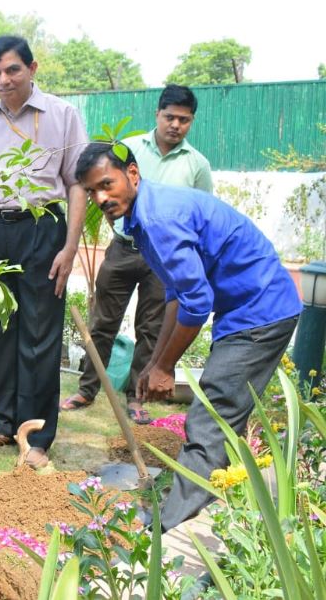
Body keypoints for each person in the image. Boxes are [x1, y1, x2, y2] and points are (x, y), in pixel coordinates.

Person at [75, 142, 301, 531]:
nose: (100, 198)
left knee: (210, 417)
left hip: (261, 312)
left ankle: (165, 525)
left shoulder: (159, 218)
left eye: (106, 184)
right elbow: (178, 296)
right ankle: (220, 496)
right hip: (246, 310)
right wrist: (156, 365)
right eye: (92, 191)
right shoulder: (143, 216)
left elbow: (197, 304)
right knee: (224, 416)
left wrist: (164, 366)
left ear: (133, 174)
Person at [0, 36, 88, 469]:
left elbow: (76, 183)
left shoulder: (62, 115)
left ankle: (36, 436)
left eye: (12, 70)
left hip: (42, 229)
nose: (2, 80)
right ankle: (3, 421)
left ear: (32, 69)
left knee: (38, 333)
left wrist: (69, 246)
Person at [61, 85, 213, 424]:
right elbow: (99, 191)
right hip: (123, 249)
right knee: (102, 322)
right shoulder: (127, 150)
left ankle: (136, 396)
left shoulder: (197, 165)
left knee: (152, 327)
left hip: (164, 258)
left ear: (192, 121)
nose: (176, 124)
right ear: (157, 114)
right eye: (170, 117)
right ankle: (87, 388)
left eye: (184, 120)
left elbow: (202, 211)